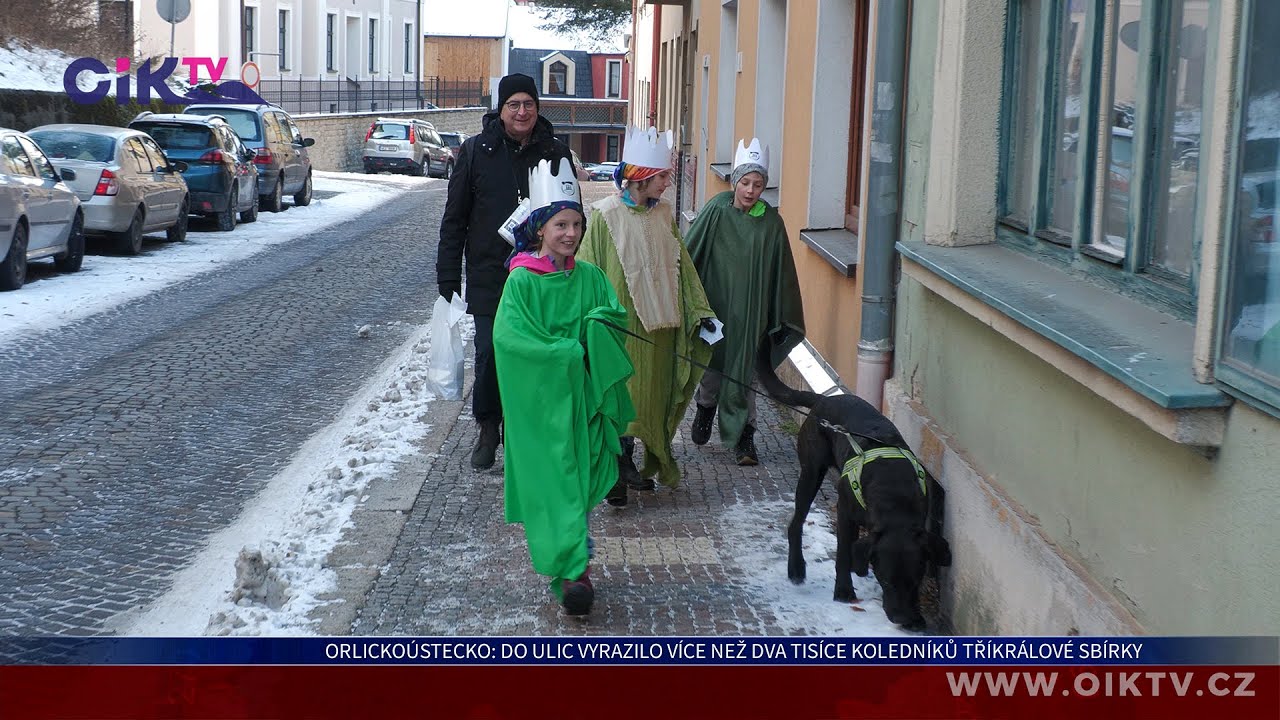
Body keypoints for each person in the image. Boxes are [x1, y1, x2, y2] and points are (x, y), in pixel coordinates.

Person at [493, 157, 635, 616]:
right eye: (561, 224)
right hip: (544, 408)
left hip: (585, 402)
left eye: (576, 223)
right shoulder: (521, 282)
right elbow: (510, 338)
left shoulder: (590, 277)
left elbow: (613, 314)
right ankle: (573, 571)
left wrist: (597, 327)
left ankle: (577, 567)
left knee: (580, 481)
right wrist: (567, 353)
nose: (571, 233)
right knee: (556, 484)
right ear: (540, 229)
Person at [437, 73, 576, 470]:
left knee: (535, 354)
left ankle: (524, 430)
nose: (521, 112)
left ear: (537, 108)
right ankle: (488, 426)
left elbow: (572, 213)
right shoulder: (475, 152)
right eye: (513, 104)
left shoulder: (556, 152)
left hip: (541, 274)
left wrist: (569, 260)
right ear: (500, 109)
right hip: (489, 274)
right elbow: (454, 220)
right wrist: (448, 276)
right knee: (490, 352)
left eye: (528, 104)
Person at [576, 126, 717, 506]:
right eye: (663, 176)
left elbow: (682, 267)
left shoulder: (665, 216)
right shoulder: (605, 216)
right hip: (621, 329)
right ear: (640, 177)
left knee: (650, 401)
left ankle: (633, 464)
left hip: (661, 330)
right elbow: (588, 269)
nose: (668, 183)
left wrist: (701, 312)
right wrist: (590, 321)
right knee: (621, 399)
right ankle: (616, 472)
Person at [685, 138, 805, 466]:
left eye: (758, 184)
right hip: (718, 306)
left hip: (752, 312)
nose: (751, 191)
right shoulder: (716, 210)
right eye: (745, 182)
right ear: (735, 180)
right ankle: (705, 409)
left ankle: (745, 437)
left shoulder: (771, 223)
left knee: (746, 374)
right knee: (713, 367)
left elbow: (782, 272)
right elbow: (691, 250)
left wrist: (779, 316)